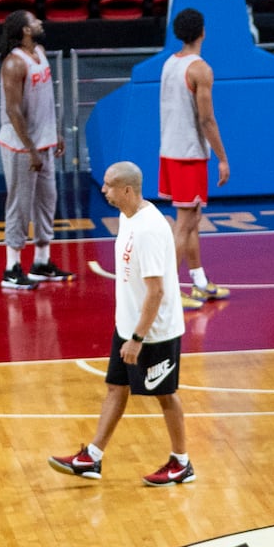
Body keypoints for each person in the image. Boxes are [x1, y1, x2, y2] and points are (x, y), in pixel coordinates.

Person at [48, 160, 194, 486]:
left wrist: (138, 338)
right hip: (127, 327)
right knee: (116, 386)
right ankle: (93, 458)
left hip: (153, 333)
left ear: (127, 189)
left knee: (165, 395)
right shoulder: (128, 218)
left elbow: (156, 291)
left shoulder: (149, 229)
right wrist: (127, 330)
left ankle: (182, 462)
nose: (103, 190)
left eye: (109, 185)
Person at [157, 6, 231, 307]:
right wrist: (222, 157)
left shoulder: (169, 64)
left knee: (192, 218)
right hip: (188, 154)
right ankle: (169, 292)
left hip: (170, 150)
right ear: (203, 32)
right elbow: (206, 120)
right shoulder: (200, 69)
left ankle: (199, 281)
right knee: (185, 224)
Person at [0, 10, 67, 290]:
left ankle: (41, 262)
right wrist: (31, 150)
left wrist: (55, 131)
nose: (40, 23)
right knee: (19, 204)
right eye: (34, 21)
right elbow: (13, 111)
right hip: (22, 147)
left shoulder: (40, 52)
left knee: (47, 201)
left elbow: (46, 100)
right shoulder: (14, 63)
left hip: (44, 141)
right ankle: (11, 267)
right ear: (25, 30)